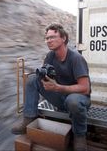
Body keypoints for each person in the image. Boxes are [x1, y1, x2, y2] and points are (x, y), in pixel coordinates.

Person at [11, 23, 91, 151]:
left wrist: (58, 87)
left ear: (63, 38)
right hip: (61, 98)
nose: (49, 41)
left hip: (79, 99)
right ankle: (29, 118)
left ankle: (80, 136)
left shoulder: (76, 59)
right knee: (32, 80)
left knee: (73, 101)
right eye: (47, 38)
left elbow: (85, 88)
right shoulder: (50, 56)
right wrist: (44, 79)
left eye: (53, 37)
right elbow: (46, 75)